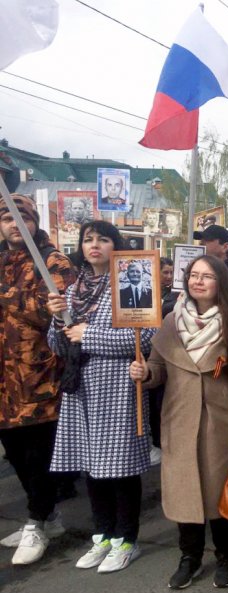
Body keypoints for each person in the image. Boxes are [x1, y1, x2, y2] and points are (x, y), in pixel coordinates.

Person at [129, 255, 228, 589]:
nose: (198, 281)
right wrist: (146, 373)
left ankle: (227, 557)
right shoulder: (172, 321)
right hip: (178, 421)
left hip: (222, 425)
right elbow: (159, 369)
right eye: (193, 275)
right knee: (184, 496)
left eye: (207, 276)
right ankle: (189, 558)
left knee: (221, 496)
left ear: (222, 283)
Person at [45, 221, 155, 573]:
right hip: (81, 390)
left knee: (120, 468)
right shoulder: (73, 288)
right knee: (93, 466)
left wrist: (89, 334)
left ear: (116, 245)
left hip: (118, 387)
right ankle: (102, 534)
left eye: (103, 239)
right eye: (88, 239)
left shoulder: (130, 280)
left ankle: (127, 539)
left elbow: (144, 338)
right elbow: (58, 344)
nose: (95, 245)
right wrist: (56, 319)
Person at [0, 194, 76, 565]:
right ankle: (49, 518)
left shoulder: (51, 261)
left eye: (22, 218)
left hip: (39, 377)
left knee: (37, 455)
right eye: (7, 218)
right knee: (13, 453)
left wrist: (8, 297)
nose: (15, 225)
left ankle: (35, 520)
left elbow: (60, 313)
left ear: (34, 222)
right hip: (3, 383)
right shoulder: (1, 261)